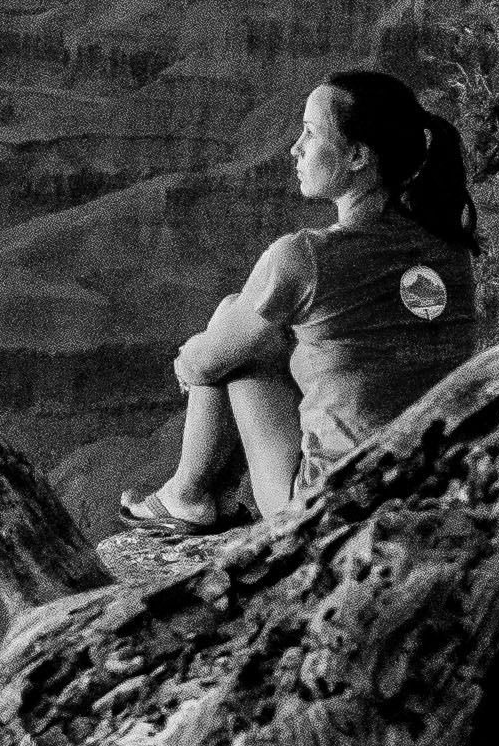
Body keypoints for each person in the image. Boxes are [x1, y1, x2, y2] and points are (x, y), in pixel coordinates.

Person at [122, 67, 480, 530]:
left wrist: (190, 357)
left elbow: (205, 365)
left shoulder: (303, 258)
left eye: (310, 133)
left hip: (331, 506)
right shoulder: (449, 250)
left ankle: (188, 495)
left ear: (356, 156)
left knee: (237, 332)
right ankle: (202, 495)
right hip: (429, 486)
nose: (295, 148)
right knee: (264, 329)